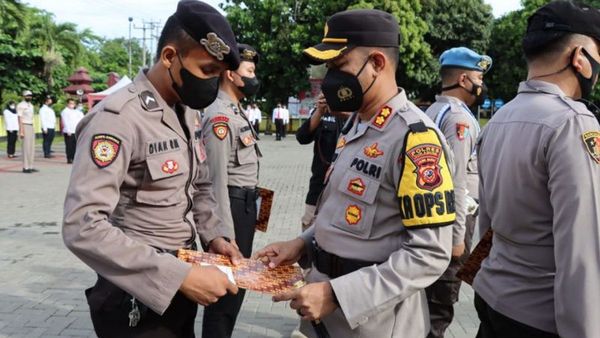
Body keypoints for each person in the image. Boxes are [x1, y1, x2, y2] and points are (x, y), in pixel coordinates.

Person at [254, 9, 458, 337]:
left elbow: (431, 252)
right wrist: (302, 245)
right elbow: (342, 211)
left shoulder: (414, 137)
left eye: (338, 67)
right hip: (320, 307)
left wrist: (338, 295)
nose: (329, 79)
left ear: (377, 63)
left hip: (373, 321)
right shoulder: (355, 122)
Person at [62, 1, 244, 337]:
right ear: (170, 57)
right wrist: (178, 276)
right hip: (136, 292)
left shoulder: (187, 112)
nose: (212, 84)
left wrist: (214, 236)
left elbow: (200, 186)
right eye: (206, 71)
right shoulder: (118, 119)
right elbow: (81, 225)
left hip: (183, 278)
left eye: (219, 76)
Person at [473, 2, 600, 337]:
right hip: (541, 317)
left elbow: (488, 226)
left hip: (493, 299)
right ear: (579, 57)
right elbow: (582, 251)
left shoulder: (498, 119)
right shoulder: (572, 122)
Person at [423, 47, 491, 338]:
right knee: (441, 303)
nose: (481, 83)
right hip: (453, 221)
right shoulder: (459, 120)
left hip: (433, 215)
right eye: (478, 76)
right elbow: (456, 180)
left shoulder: (433, 110)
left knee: (427, 300)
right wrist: (456, 238)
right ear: (464, 79)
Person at [200, 43, 261, 338]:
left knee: (235, 291)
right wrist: (224, 234)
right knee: (225, 295)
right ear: (230, 74)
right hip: (231, 211)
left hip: (244, 207)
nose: (253, 77)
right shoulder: (219, 117)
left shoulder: (236, 111)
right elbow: (214, 181)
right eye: (248, 71)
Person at [296, 93, 349, 231]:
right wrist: (319, 111)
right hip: (318, 187)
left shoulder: (359, 116)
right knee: (308, 228)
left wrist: (349, 113)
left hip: (347, 190)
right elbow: (302, 137)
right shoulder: (322, 113)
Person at [16, 90, 37, 173]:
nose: (29, 97)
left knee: (31, 147)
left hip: (31, 126)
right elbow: (20, 118)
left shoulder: (31, 105)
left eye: (30, 96)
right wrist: (21, 130)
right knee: (26, 147)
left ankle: (30, 166)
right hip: (24, 125)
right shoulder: (21, 105)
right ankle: (25, 167)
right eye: (27, 96)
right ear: (24, 96)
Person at [61, 99, 84, 163]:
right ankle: (69, 158)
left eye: (73, 103)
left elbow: (81, 118)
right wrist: (68, 130)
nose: (72, 105)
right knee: (69, 146)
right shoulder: (65, 111)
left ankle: (74, 157)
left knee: (75, 145)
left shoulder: (75, 111)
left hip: (75, 130)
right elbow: (65, 121)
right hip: (69, 131)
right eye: (71, 103)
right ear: (67, 104)